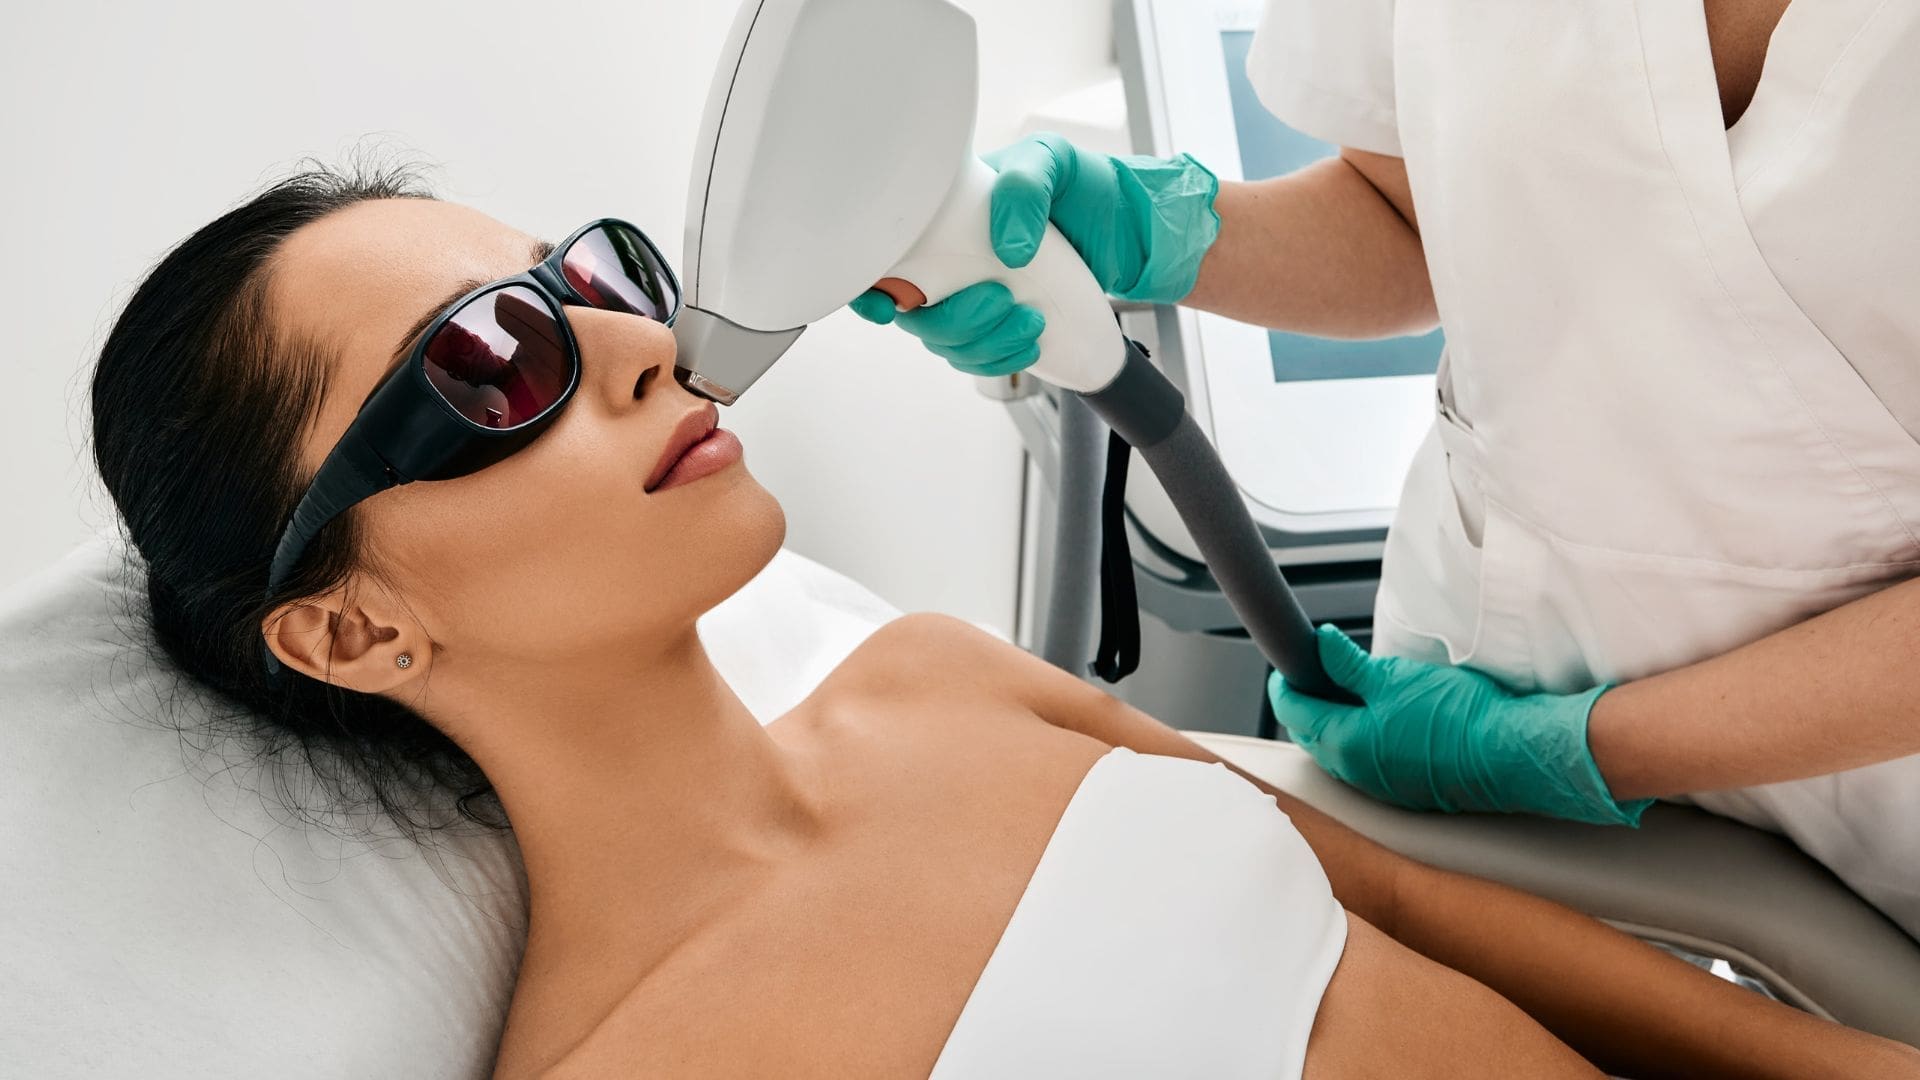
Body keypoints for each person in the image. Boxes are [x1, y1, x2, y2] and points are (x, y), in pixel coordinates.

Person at [84, 168, 1917, 1078]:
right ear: (348, 635)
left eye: (589, 279)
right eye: (497, 362)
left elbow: (1430, 916)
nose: (644, 345)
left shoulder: (939, 683)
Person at [854, 0, 1920, 937]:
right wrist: (1168, 234)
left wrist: (1566, 750)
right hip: (1486, 663)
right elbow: (1409, 218)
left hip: (1880, 785)